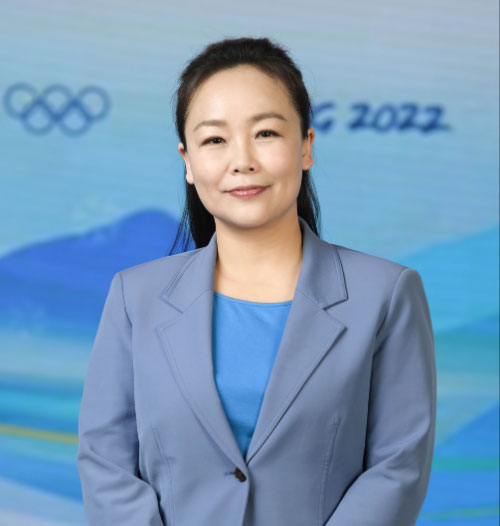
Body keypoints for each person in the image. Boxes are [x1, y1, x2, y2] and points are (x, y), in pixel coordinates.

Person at [77, 36, 437, 526]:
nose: (242, 160)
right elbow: (106, 462)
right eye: (215, 140)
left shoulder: (385, 295)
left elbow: (398, 466)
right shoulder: (134, 297)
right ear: (187, 161)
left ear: (305, 146)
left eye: (266, 133)